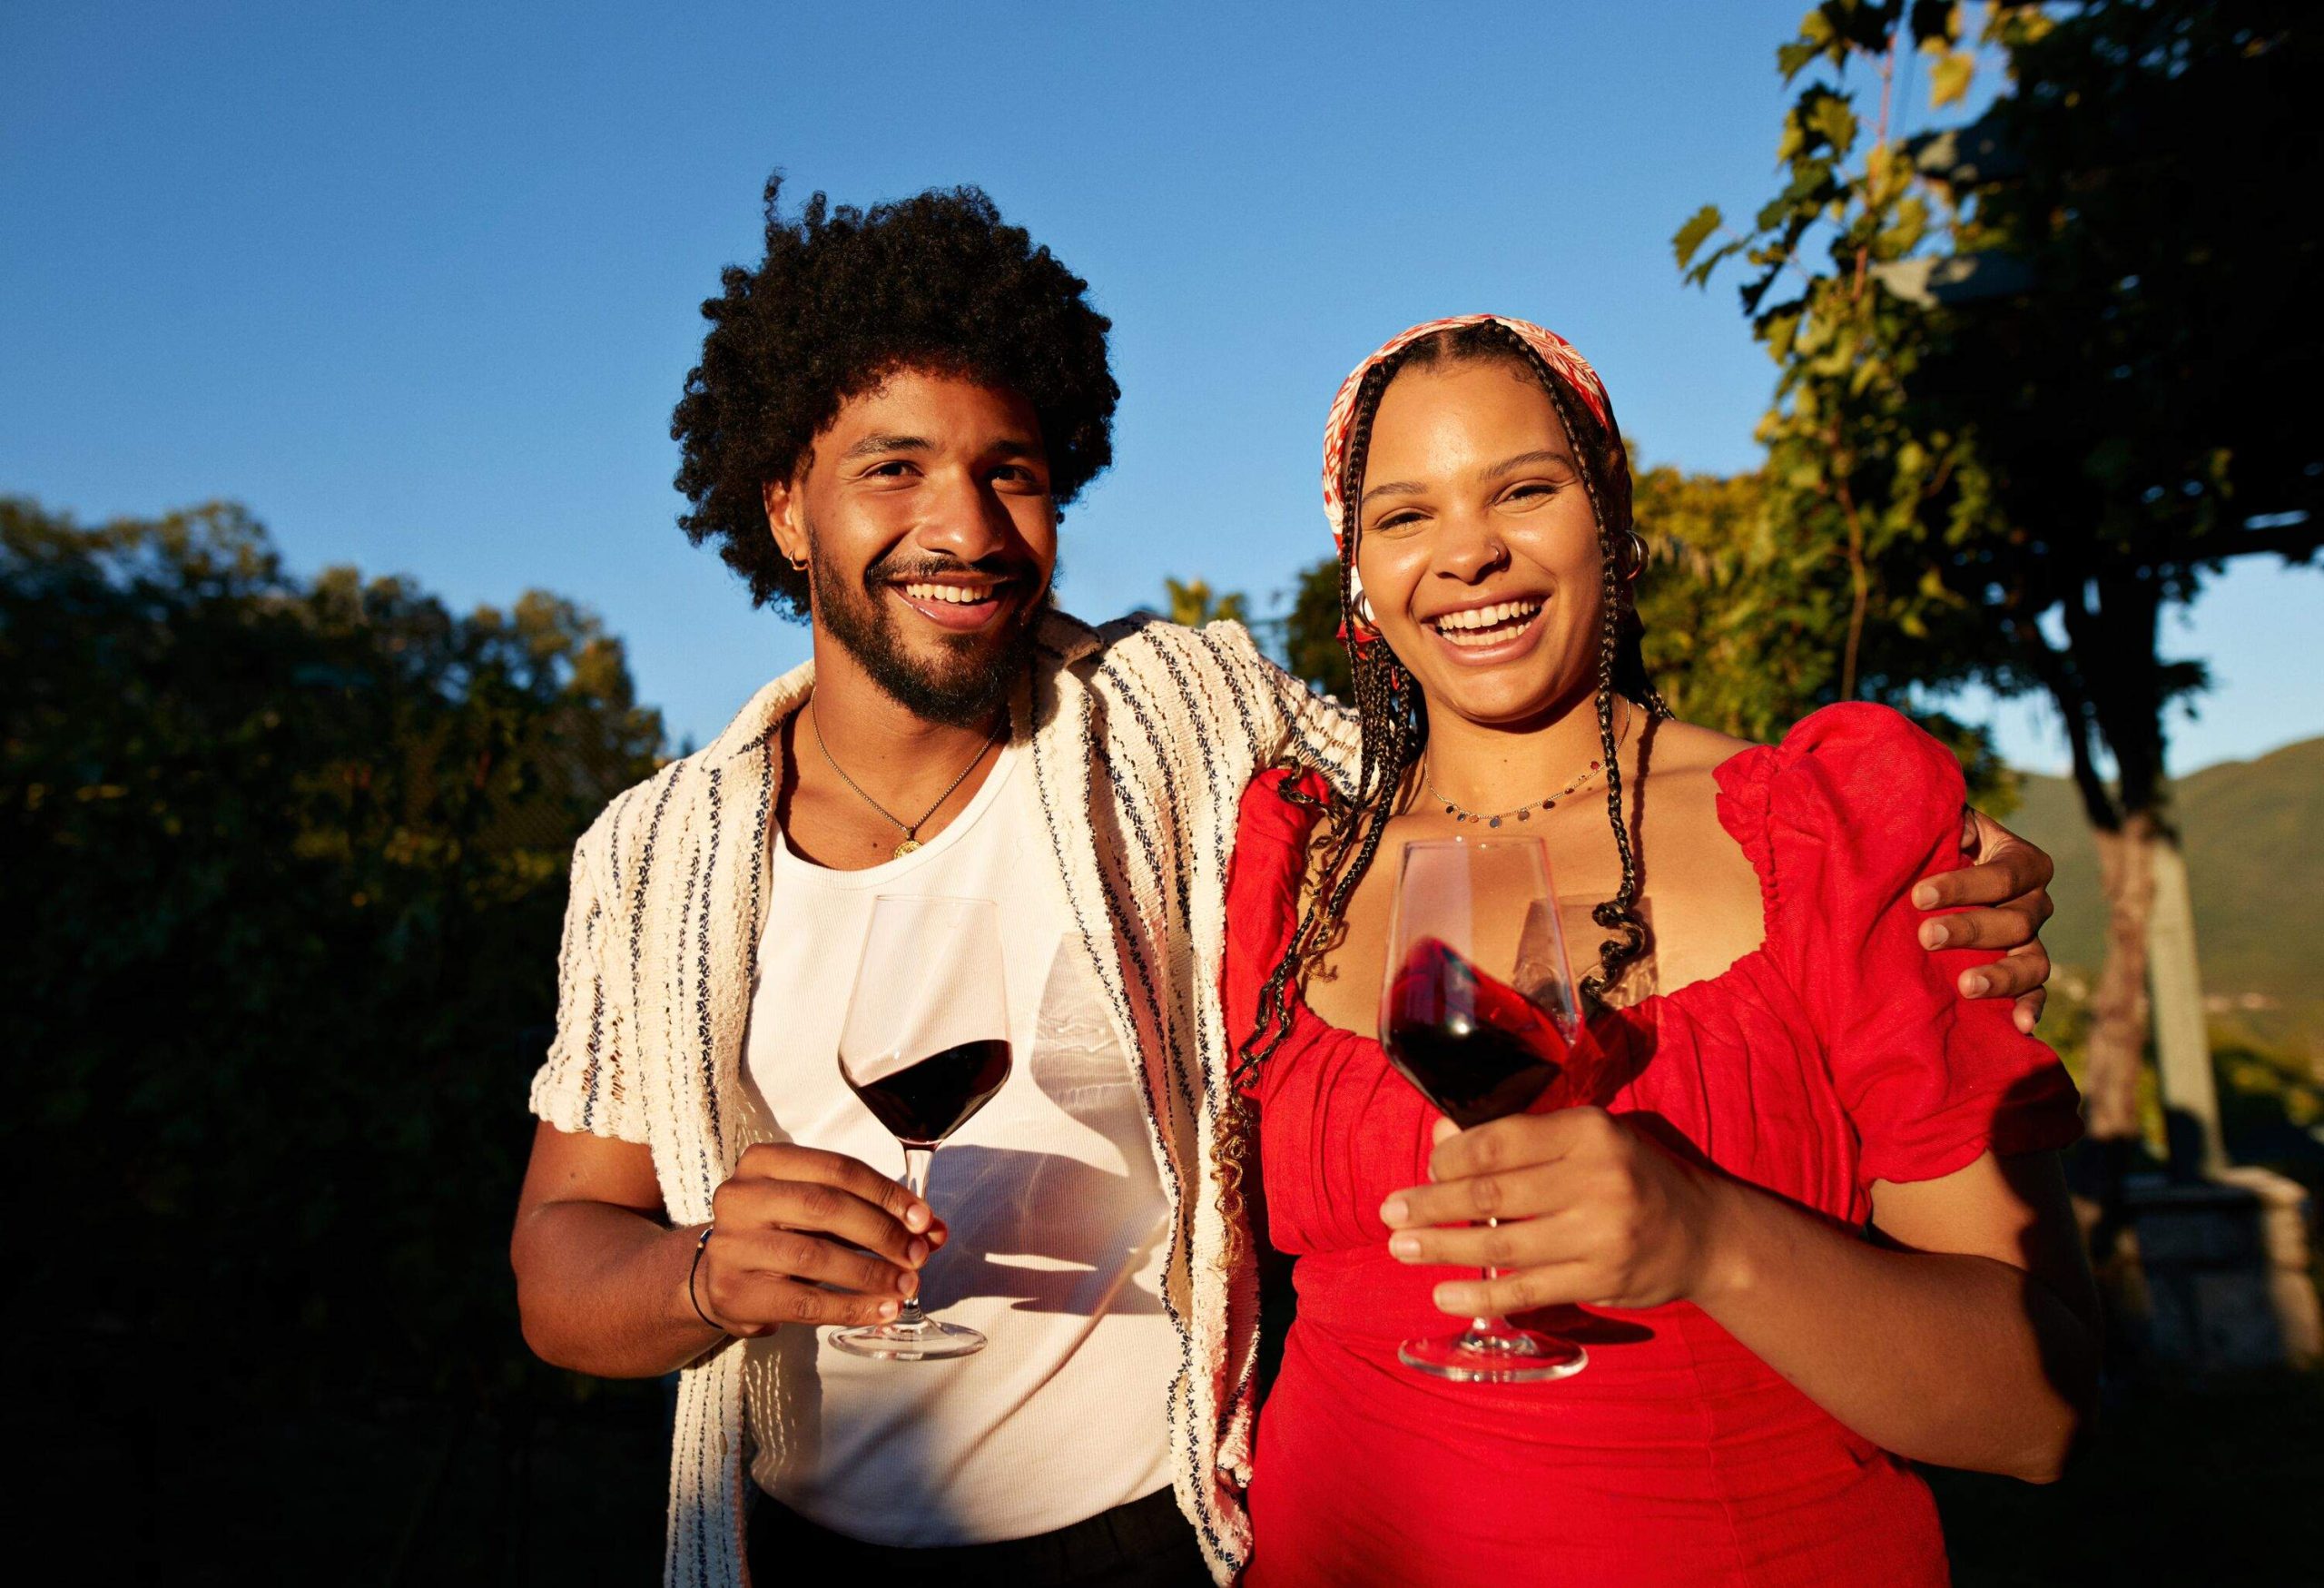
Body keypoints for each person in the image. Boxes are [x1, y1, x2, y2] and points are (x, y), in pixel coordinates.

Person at [507, 182, 2065, 1588]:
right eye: (892, 468)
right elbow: (560, 1263)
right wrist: (706, 1272)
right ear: (785, 503)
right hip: (806, 1544)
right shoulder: (657, 861)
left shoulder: (1193, 735)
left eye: (1014, 470)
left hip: (1149, 1543)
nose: (965, 526)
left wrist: (1928, 850)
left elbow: (1469, 750)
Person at [1219, 315, 2099, 1588]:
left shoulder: (1820, 835)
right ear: (1357, 570)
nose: (1468, 551)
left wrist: (1710, 1237)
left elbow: (2043, 1411)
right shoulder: (1298, 864)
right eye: (1405, 515)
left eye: (1524, 489)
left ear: (1611, 508)